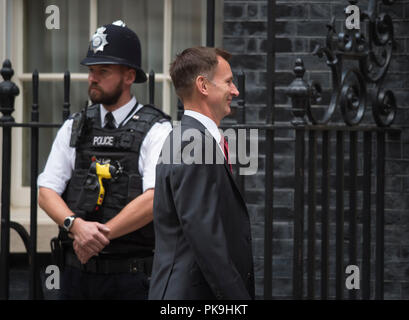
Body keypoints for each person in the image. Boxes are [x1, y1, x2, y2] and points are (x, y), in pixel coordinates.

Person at [38, 20, 172, 300]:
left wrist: (97, 236)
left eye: (103, 71)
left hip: (132, 278)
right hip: (76, 275)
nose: (92, 78)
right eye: (91, 70)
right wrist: (76, 226)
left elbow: (154, 197)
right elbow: (46, 190)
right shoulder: (75, 126)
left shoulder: (157, 129)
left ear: (129, 76)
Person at [148, 47, 255, 300]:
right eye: (228, 82)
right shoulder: (193, 143)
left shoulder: (192, 139)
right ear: (203, 86)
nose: (235, 91)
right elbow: (205, 236)